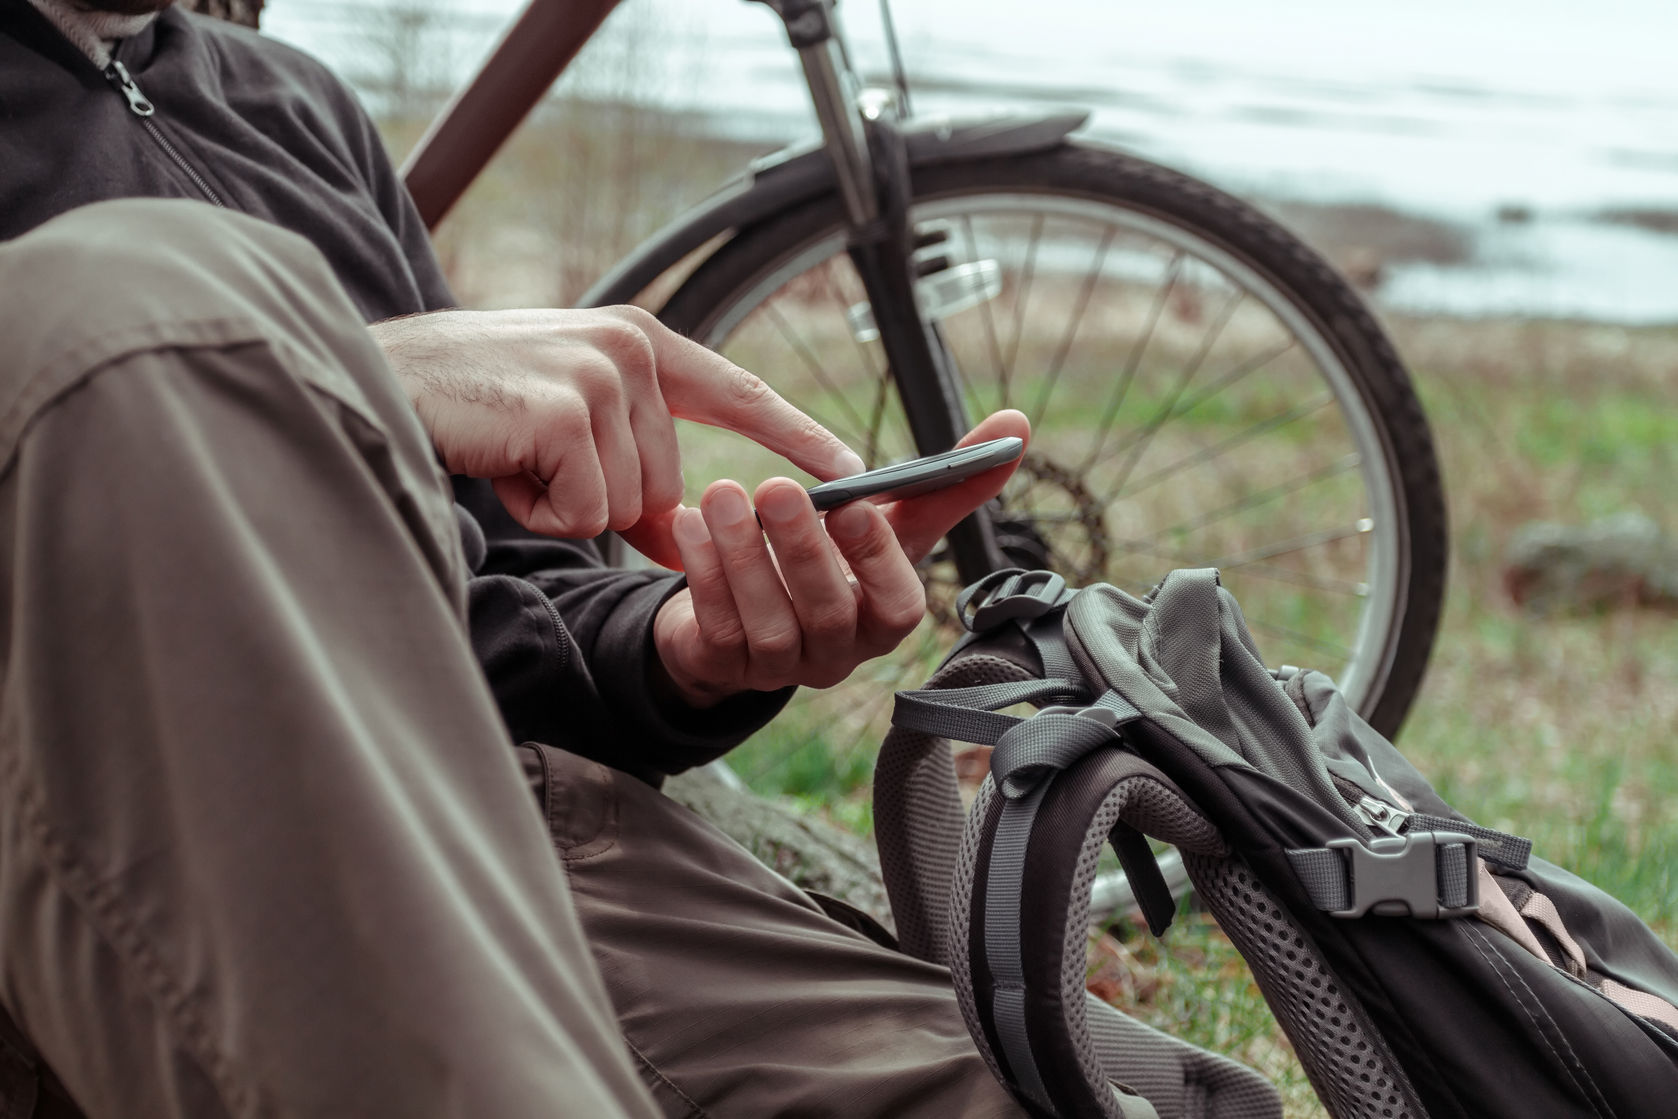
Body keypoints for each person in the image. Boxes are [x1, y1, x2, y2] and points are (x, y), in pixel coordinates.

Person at [0, 0, 1033, 1115]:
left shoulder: (287, 105)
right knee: (108, 298)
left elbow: (496, 605)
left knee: (1069, 1090)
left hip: (502, 826)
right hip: (144, 863)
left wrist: (672, 646)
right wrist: (340, 372)